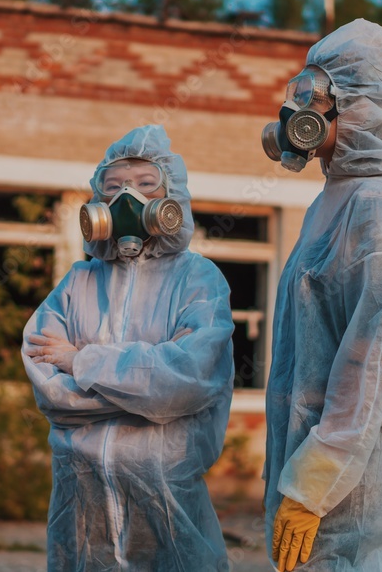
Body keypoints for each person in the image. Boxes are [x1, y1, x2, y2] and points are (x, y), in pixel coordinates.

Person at [260, 19, 382, 571]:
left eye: (318, 99)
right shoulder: (329, 207)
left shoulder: (378, 207)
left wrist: (314, 484)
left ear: (360, 110)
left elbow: (373, 359)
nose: (300, 115)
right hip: (308, 476)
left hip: (344, 488)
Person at [22, 124, 236, 571]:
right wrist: (140, 393)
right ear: (96, 201)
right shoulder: (77, 283)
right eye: (114, 186)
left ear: (170, 199)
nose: (127, 198)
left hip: (166, 497)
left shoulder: (198, 280)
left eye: (144, 185)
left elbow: (189, 380)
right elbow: (49, 390)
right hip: (82, 502)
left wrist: (82, 359)